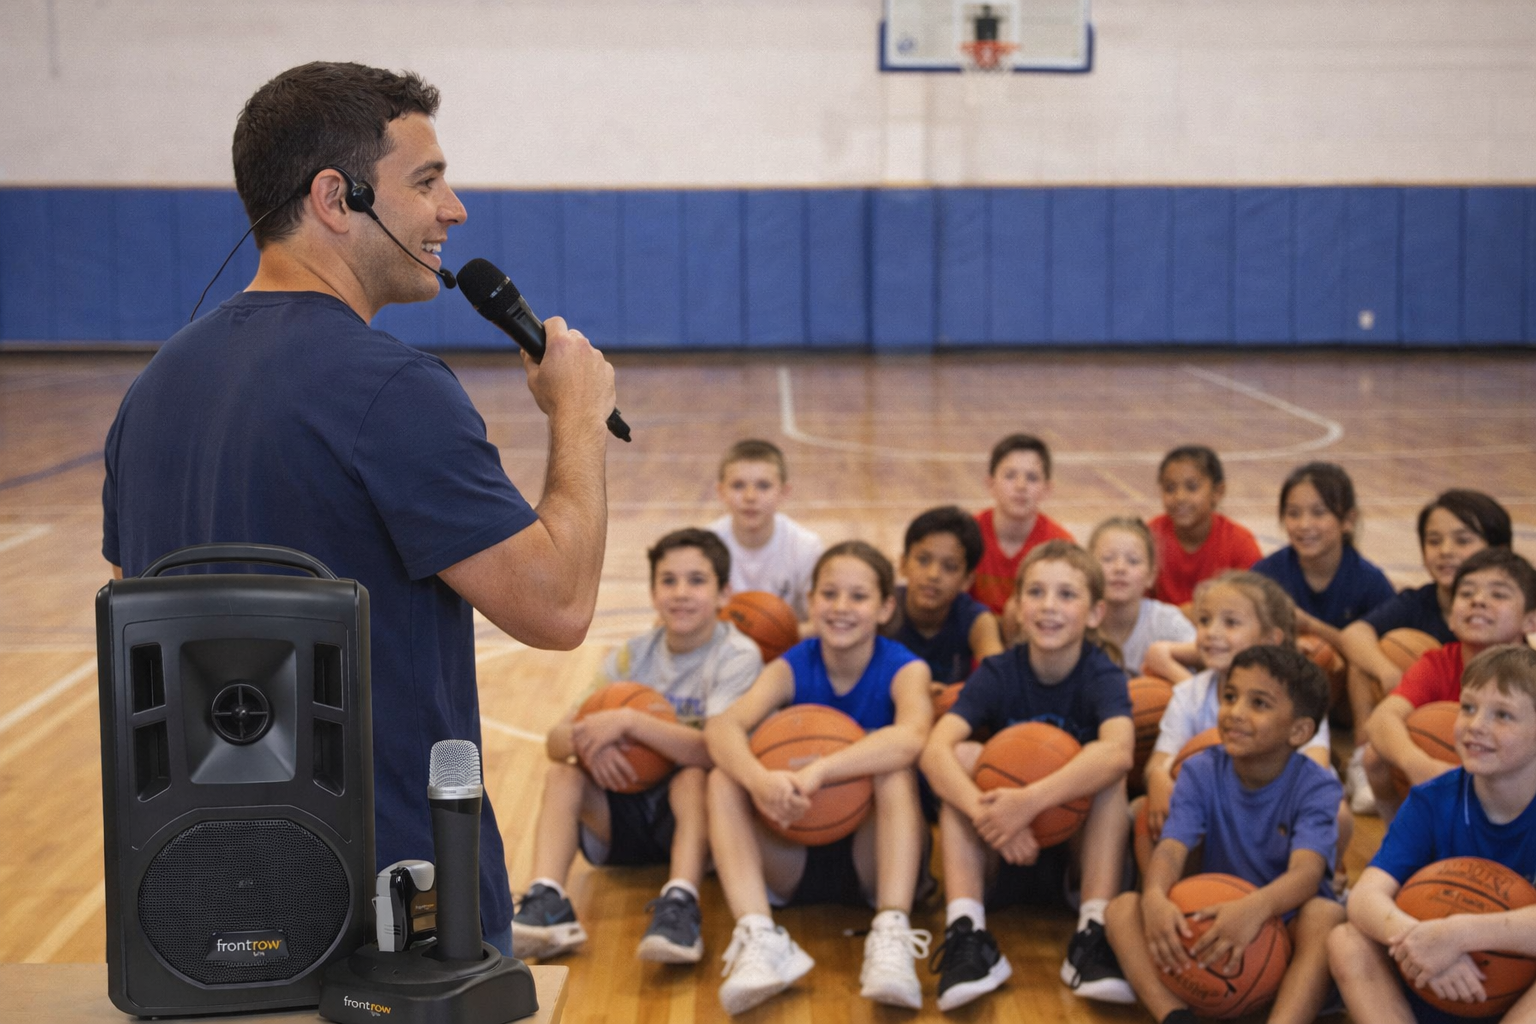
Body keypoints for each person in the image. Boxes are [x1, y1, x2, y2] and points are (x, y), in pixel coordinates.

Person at [100, 62, 616, 955]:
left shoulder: (150, 392)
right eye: (427, 181)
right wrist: (577, 419)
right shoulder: (393, 392)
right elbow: (559, 605)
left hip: (197, 904)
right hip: (394, 902)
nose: (454, 209)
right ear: (337, 198)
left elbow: (132, 611)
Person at [704, 541, 933, 1014]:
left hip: (871, 858)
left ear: (886, 606)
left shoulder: (904, 668)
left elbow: (911, 737)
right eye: (829, 593)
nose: (841, 607)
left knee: (893, 771)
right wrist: (759, 780)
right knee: (724, 779)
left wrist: (823, 769)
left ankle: (891, 931)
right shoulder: (792, 664)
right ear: (811, 601)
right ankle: (760, 936)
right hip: (792, 850)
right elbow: (722, 726)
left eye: (858, 596)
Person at [513, 529, 761, 963]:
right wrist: (590, 740)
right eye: (668, 581)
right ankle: (548, 898)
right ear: (652, 592)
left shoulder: (737, 656)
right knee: (563, 774)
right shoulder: (630, 657)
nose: (681, 593)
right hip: (622, 811)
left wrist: (630, 721)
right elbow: (555, 743)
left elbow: (712, 750)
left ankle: (681, 900)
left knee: (695, 776)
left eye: (697, 581)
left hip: (692, 822)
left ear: (725, 594)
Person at [921, 540, 1134, 1010]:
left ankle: (1094, 932)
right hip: (1000, 851)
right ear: (1015, 607)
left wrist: (1028, 801)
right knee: (964, 756)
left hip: (1073, 856)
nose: (1049, 607)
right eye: (1035, 592)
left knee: (1105, 770)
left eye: (1066, 595)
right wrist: (989, 816)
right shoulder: (999, 671)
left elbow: (1120, 753)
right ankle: (967, 931)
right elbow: (934, 752)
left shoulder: (1102, 673)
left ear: (1096, 613)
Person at [1106, 645, 1346, 1024]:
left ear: (1299, 730)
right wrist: (1153, 897)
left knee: (1326, 914)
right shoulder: (1200, 770)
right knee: (1121, 910)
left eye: (1259, 703)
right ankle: (1175, 1015)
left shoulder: (1317, 786)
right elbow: (1170, 849)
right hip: (1212, 923)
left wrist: (1256, 909)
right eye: (1230, 696)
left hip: (1280, 925)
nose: (1235, 712)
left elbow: (1307, 874)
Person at [1329, 645, 1536, 1024]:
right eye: (1468, 707)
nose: (1476, 725)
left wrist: (1458, 934)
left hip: (1515, 991)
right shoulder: (1433, 798)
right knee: (1347, 941)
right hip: (1430, 976)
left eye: (1502, 715)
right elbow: (1365, 897)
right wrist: (1420, 939)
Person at [1135, 572, 1344, 878]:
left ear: (1270, 639)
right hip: (1214, 811)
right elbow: (1159, 763)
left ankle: (1322, 881)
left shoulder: (1300, 697)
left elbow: (1314, 766)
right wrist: (1157, 779)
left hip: (1276, 810)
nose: (1211, 633)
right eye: (1204, 621)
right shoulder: (1189, 694)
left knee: (1341, 815)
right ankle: (1161, 896)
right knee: (1146, 812)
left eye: (1230, 623)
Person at [1337, 489, 1512, 814]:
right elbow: (1354, 636)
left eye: (1462, 540)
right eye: (1434, 541)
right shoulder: (1425, 620)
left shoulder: (1519, 645)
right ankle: (1368, 771)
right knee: (1381, 652)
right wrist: (1387, 670)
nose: (1446, 551)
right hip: (1429, 720)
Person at [1363, 547, 1536, 819]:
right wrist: (1418, 764)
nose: (1478, 600)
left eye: (1499, 594)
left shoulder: (1531, 675)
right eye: (1466, 593)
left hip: (1515, 791)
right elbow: (1381, 719)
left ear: (1531, 620)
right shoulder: (1439, 663)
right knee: (1376, 757)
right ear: (1452, 616)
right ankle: (1402, 844)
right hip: (1449, 774)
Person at [1251, 461, 1396, 649]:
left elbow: (1382, 654)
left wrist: (1311, 626)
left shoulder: (1371, 584)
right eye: (1293, 513)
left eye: (1318, 513)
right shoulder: (1264, 576)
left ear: (1348, 520)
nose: (1304, 525)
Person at [881, 505, 1004, 685]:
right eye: (923, 560)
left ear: (967, 580)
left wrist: (951, 696)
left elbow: (998, 676)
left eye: (950, 567)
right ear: (903, 564)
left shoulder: (975, 620)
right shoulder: (883, 610)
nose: (933, 575)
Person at [969, 434, 1076, 634]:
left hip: (1031, 640)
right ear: (990, 484)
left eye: (1032, 478)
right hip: (974, 639)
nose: (1021, 486)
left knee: (1014, 609)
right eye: (1010, 476)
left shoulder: (1060, 544)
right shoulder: (968, 534)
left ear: (1047, 489)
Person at [708, 439, 823, 621]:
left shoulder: (805, 547)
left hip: (789, 647)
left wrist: (766, 639)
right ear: (721, 491)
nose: (750, 497)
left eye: (763, 486)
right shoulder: (706, 546)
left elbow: (819, 624)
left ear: (784, 492)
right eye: (738, 486)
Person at [1148, 445, 1261, 608]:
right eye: (1170, 488)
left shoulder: (1239, 543)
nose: (1180, 497)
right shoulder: (1149, 538)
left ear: (1218, 492)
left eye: (1192, 487)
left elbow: (1256, 604)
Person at [1088, 517, 1196, 677]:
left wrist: (1167, 664)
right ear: (1089, 569)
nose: (1120, 568)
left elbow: (1210, 658)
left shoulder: (1166, 622)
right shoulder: (1077, 622)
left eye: (1133, 561)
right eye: (1108, 559)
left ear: (1151, 576)